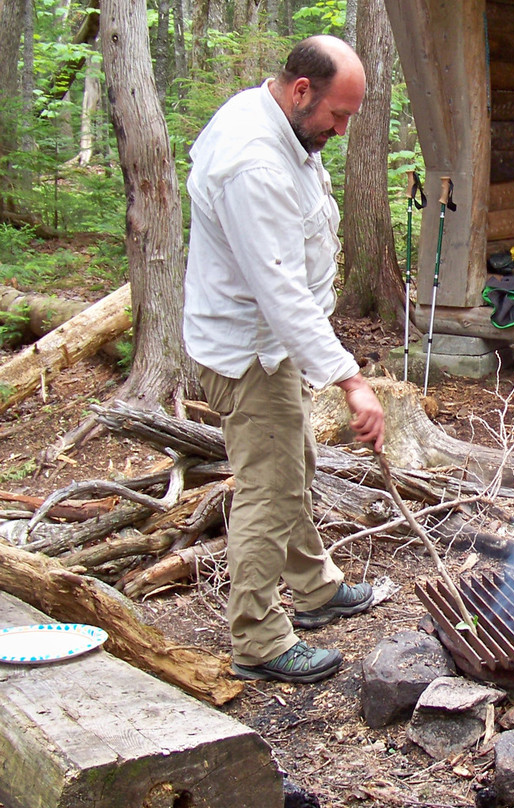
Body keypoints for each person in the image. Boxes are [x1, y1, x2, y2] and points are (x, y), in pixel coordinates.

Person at [183, 35, 385, 684]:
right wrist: (352, 380)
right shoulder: (254, 162)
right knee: (270, 488)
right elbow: (281, 296)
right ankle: (260, 639)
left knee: (294, 462)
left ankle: (317, 589)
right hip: (249, 354)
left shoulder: (281, 126)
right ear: (302, 90)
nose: (343, 129)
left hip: (271, 346)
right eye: (338, 115)